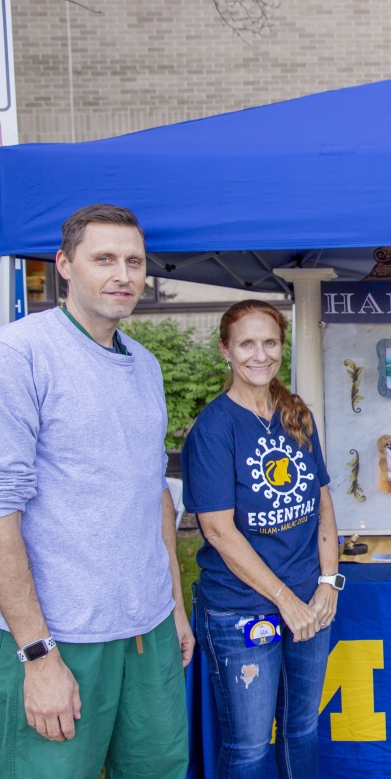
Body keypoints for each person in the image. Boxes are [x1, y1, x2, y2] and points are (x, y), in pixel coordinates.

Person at [0, 204, 192, 778]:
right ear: (64, 265)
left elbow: (152, 492)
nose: (123, 275)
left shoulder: (146, 365)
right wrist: (37, 654)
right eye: (103, 259)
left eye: (134, 261)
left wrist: (175, 609)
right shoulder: (21, 354)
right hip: (63, 638)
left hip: (149, 630)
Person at [182, 299, 341, 779]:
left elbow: (324, 500)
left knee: (301, 731)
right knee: (249, 746)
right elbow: (217, 530)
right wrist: (283, 600)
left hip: (310, 602)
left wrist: (329, 580)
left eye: (270, 342)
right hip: (241, 610)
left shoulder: (296, 414)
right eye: (246, 343)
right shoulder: (213, 430)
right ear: (225, 351)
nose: (260, 354)